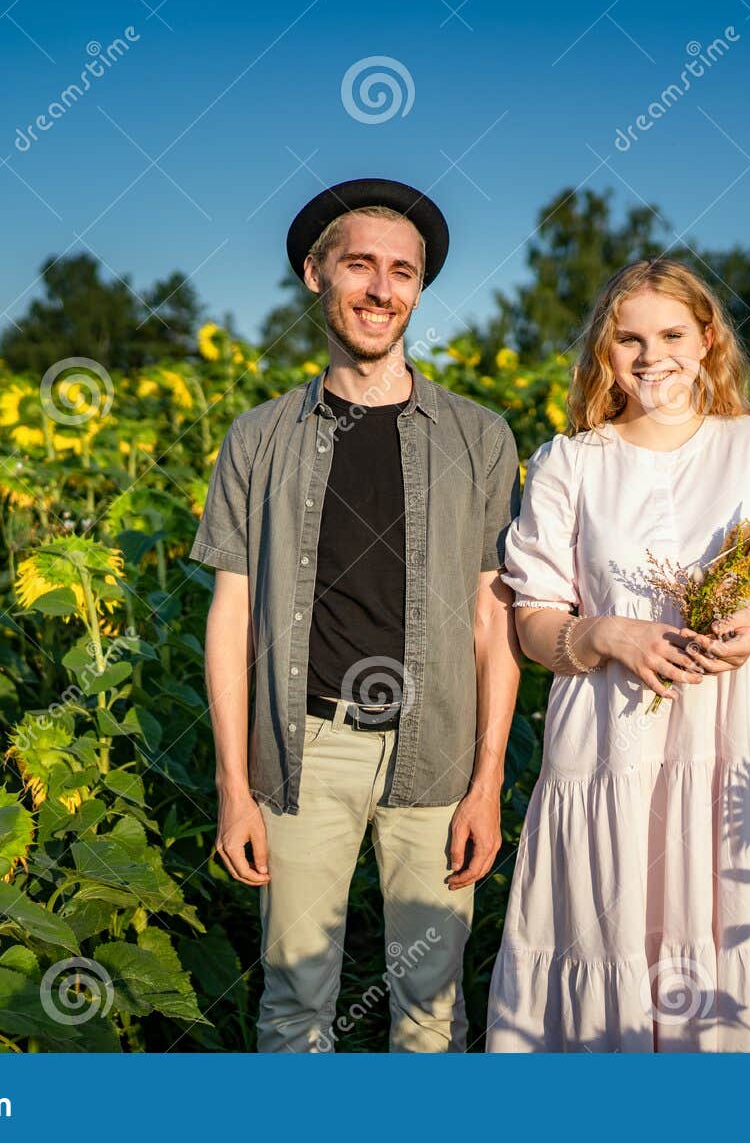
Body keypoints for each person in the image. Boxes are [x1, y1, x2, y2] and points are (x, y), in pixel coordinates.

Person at [191, 177, 521, 1052]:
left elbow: (494, 623)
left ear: (419, 289)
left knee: (431, 1007)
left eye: (402, 272)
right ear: (315, 273)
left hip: (438, 752)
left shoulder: (480, 437)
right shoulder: (256, 438)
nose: (382, 289)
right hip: (305, 750)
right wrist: (235, 787)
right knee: (295, 1003)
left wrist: (487, 780)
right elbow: (229, 620)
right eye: (361, 266)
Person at [484, 256, 750, 1052]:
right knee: (610, 932)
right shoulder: (570, 462)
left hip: (729, 728)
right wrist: (609, 634)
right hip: (610, 737)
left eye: (673, 334)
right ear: (603, 352)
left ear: (709, 339)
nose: (652, 358)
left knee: (734, 932)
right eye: (629, 339)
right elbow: (535, 625)